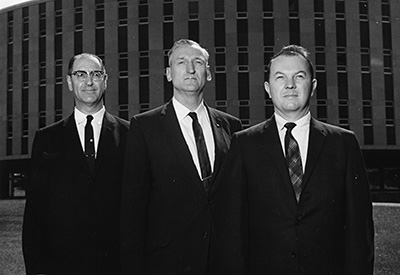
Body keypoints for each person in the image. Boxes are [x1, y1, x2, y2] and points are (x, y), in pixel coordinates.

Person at [216, 45, 374, 274]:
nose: (290, 85)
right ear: (268, 89)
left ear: (313, 86)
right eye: (280, 77)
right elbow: (232, 231)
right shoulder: (243, 144)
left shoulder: (343, 144)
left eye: (299, 77)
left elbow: (360, 232)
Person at [120, 39, 242, 274]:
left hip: (222, 260)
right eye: (181, 62)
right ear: (168, 73)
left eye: (197, 62)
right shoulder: (145, 127)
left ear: (208, 73)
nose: (190, 68)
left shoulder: (231, 126)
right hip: (168, 261)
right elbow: (132, 210)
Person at [22, 53, 130, 275]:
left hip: (117, 265)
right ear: (70, 82)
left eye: (96, 74)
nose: (89, 82)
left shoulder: (130, 134)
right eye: (81, 74)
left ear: (106, 80)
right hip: (62, 266)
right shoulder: (47, 138)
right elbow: (35, 213)